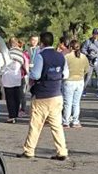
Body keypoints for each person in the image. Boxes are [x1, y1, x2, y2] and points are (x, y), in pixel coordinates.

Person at [21, 31, 68, 162]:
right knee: (57, 125)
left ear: (41, 42)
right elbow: (66, 74)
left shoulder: (40, 56)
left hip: (42, 95)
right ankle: (62, 151)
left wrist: (29, 73)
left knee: (35, 125)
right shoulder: (60, 57)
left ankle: (29, 150)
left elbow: (35, 75)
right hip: (57, 94)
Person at [62, 40, 89, 128]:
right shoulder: (83, 57)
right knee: (76, 103)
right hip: (80, 81)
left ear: (70, 47)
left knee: (67, 103)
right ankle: (75, 121)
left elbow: (63, 69)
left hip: (69, 81)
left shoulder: (67, 57)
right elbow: (86, 70)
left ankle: (66, 121)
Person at [0, 37, 27, 124]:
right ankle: (15, 113)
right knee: (17, 97)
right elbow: (24, 64)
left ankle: (11, 116)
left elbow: (3, 65)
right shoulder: (21, 53)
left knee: (10, 98)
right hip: (17, 77)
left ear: (9, 44)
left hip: (8, 78)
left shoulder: (7, 53)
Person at [82, 28, 98, 95]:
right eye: (94, 34)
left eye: (97, 34)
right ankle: (83, 89)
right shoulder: (88, 41)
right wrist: (88, 54)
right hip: (90, 61)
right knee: (88, 76)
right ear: (92, 34)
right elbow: (83, 49)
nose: (96, 35)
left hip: (97, 61)